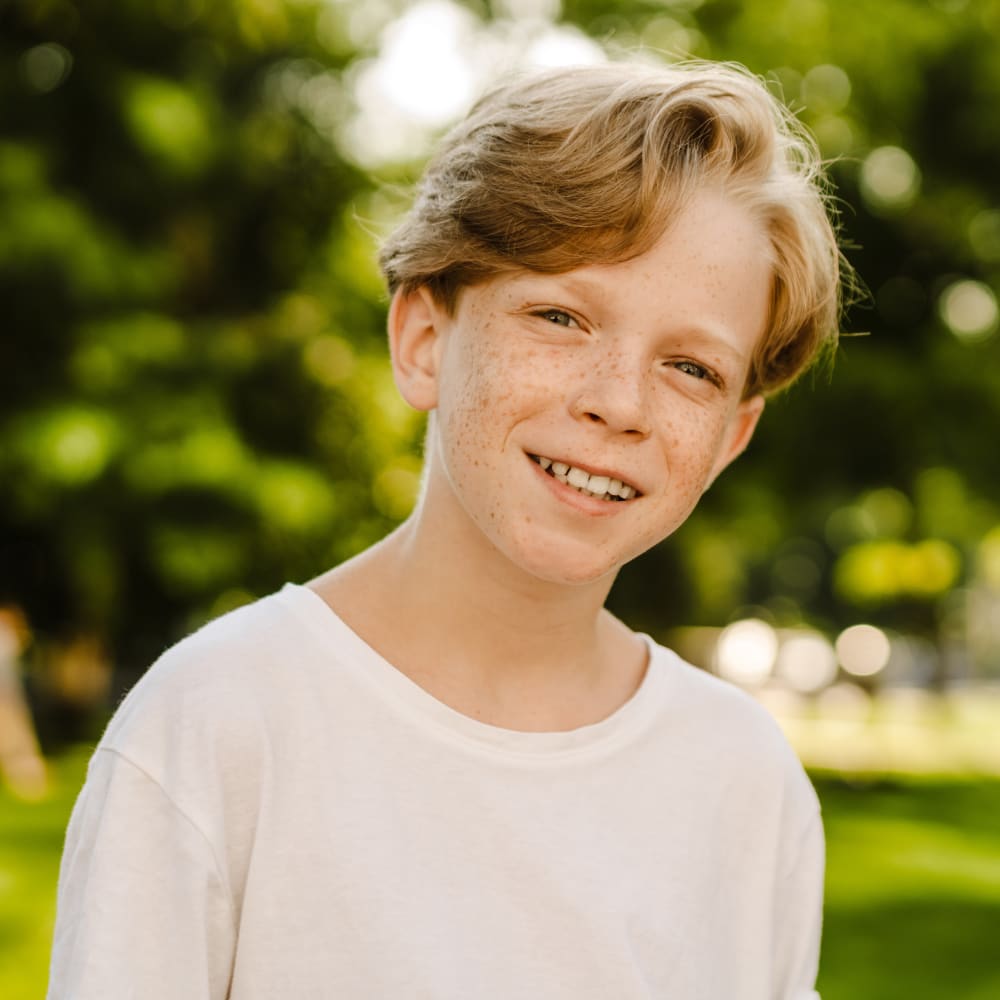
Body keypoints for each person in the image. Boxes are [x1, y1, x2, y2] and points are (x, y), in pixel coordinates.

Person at [48, 58, 843, 999]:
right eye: (560, 316)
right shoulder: (221, 725)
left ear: (729, 439)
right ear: (424, 342)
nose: (620, 402)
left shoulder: (744, 784)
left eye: (692, 370)